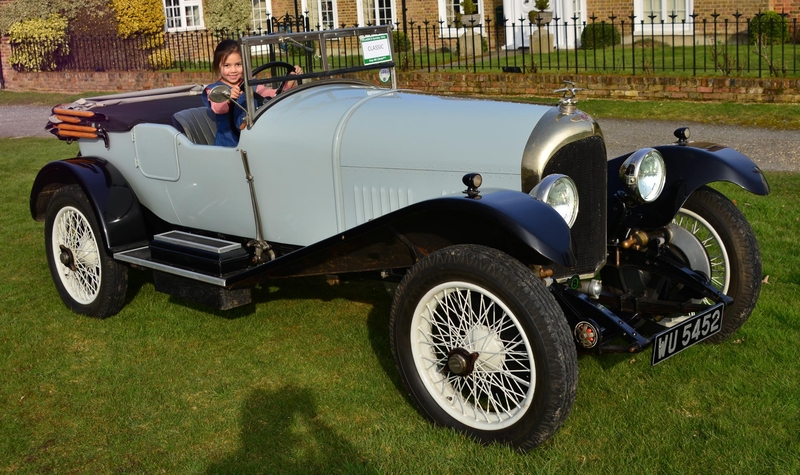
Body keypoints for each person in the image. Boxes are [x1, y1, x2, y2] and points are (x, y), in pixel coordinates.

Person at [202, 39, 303, 146]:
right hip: (229, 144)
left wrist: (290, 79)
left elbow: (273, 95)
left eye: (238, 64)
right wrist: (228, 97)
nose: (233, 70)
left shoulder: (251, 84)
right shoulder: (214, 89)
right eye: (227, 65)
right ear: (218, 66)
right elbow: (218, 108)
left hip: (252, 140)